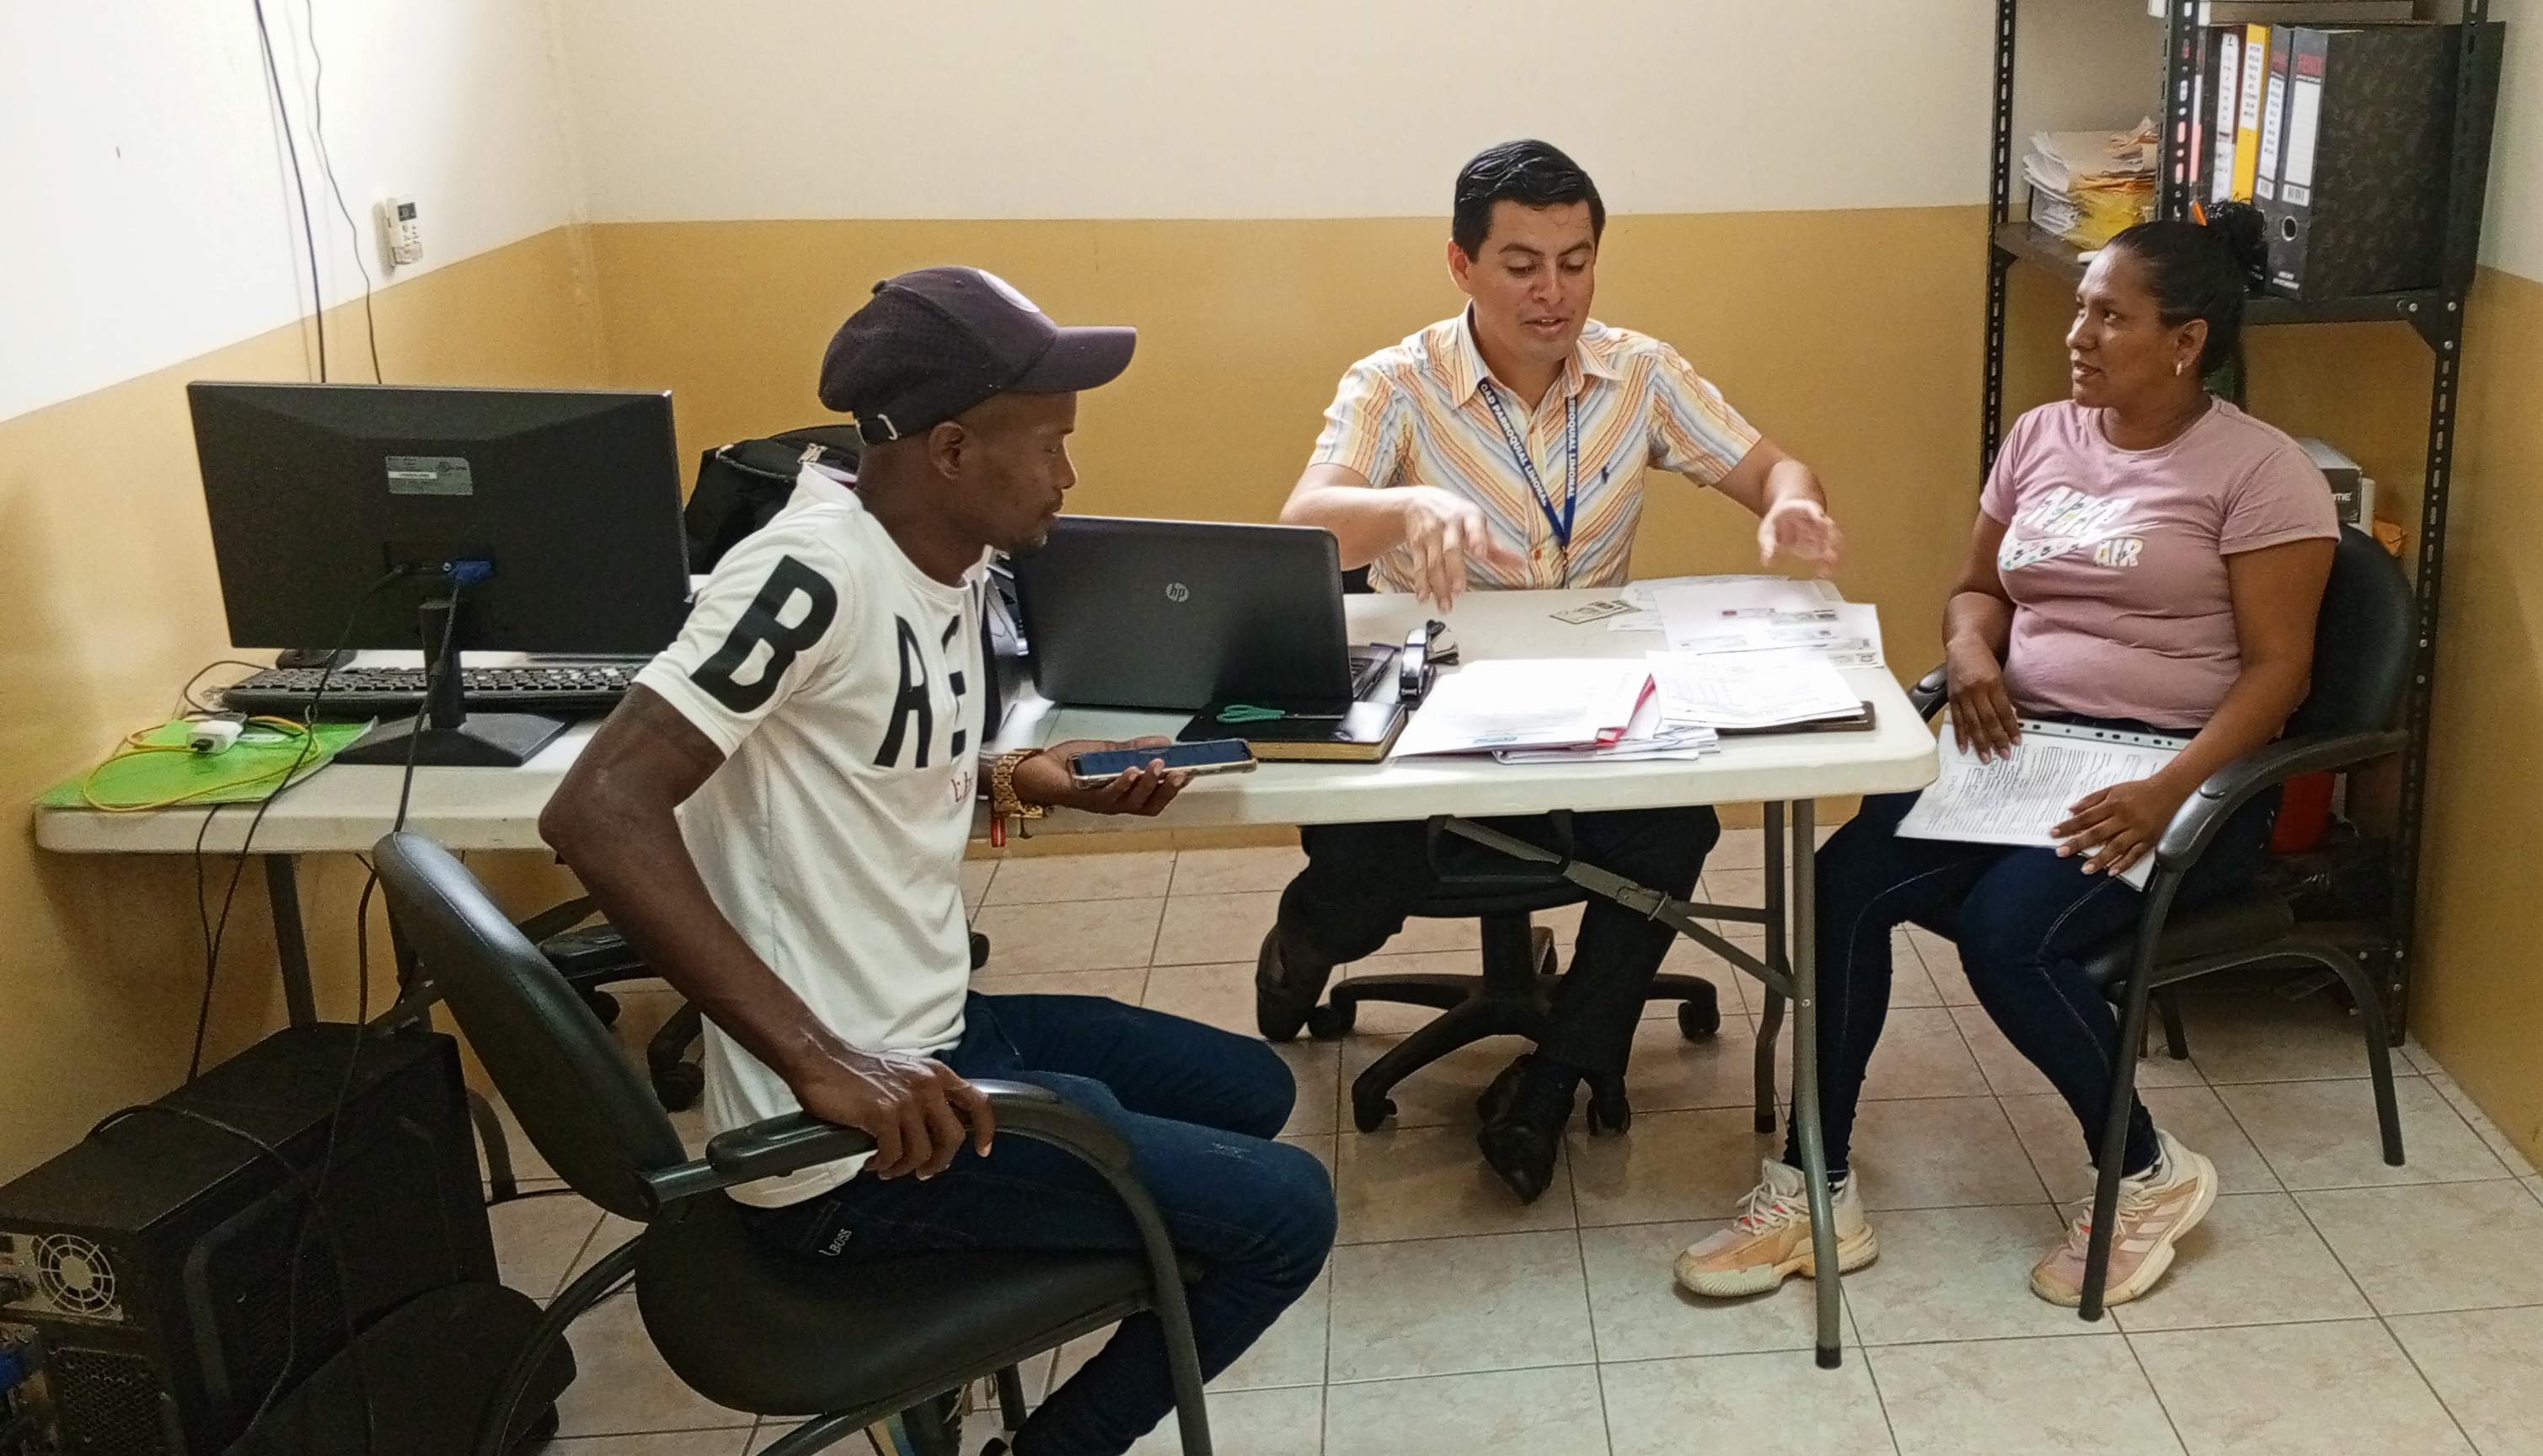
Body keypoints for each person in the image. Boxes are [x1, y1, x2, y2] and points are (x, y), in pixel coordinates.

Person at [539, 265, 1334, 1456]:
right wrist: (819, 1059)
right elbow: (599, 809)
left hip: (939, 1029)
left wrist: (1024, 780)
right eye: (1051, 444)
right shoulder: (809, 574)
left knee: (1251, 1092)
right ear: (952, 450)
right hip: (859, 1143)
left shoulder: (947, 567)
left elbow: (871, 766)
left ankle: (1074, 1238)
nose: (1070, 474)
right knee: (1287, 1214)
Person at [1675, 209, 2340, 1310]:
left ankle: (2148, 1173)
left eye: (2110, 316)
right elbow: (1978, 590)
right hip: (2023, 753)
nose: (2078, 335)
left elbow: (2280, 677)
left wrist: (2165, 791)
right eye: (2080, 308)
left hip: (2170, 781)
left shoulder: (2263, 475)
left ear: (2187, 340)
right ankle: (1813, 1184)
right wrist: (1973, 654)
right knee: (1842, 886)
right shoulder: (2041, 436)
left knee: (2004, 935)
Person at [1261, 139, 1847, 1203]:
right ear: (1462, 264)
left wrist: (1792, 503)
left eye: (1576, 263)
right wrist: (1407, 505)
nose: (1554, 293)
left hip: (1590, 705)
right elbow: (1306, 525)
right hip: (1436, 710)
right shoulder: (1397, 383)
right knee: (1360, 879)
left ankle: (1555, 1077)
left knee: (1673, 830)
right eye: (1522, 265)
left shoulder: (1639, 372)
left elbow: (1775, 467)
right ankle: (1306, 940)